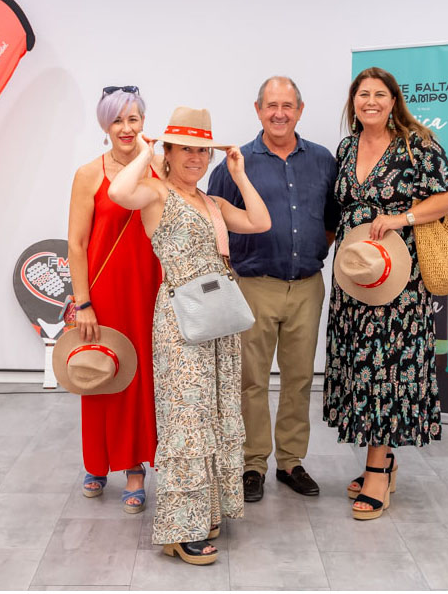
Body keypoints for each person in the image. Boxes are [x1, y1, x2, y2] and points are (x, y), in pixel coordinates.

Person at [108, 107, 271, 565]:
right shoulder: (157, 193)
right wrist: (147, 152)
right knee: (186, 420)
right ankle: (180, 530)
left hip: (218, 320)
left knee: (214, 415)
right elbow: (119, 192)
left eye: (202, 150)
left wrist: (239, 174)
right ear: (170, 152)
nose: (196, 158)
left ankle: (207, 512)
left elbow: (261, 222)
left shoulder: (213, 202)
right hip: (181, 319)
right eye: (186, 149)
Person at [323, 67, 448, 520]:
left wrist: (402, 219)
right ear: (353, 101)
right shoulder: (346, 148)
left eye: (379, 94)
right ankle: (382, 460)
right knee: (359, 367)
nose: (371, 101)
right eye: (363, 94)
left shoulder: (416, 144)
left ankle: (377, 470)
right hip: (355, 275)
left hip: (398, 278)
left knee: (386, 369)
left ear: (394, 100)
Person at [208, 76, 338, 502]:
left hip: (307, 287)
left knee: (300, 378)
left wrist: (308, 251)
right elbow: (214, 221)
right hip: (254, 285)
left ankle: (291, 462)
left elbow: (331, 219)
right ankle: (252, 464)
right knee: (252, 381)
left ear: (300, 110)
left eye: (287, 105)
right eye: (271, 105)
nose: (279, 113)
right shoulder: (236, 163)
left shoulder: (322, 160)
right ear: (258, 109)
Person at [66, 86, 163, 513]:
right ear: (105, 125)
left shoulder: (157, 168)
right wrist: (83, 302)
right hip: (104, 292)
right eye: (117, 120)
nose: (126, 128)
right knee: (101, 373)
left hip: (149, 288)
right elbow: (76, 243)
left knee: (141, 380)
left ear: (143, 122)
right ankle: (97, 462)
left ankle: (135, 466)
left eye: (133, 119)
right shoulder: (89, 174)